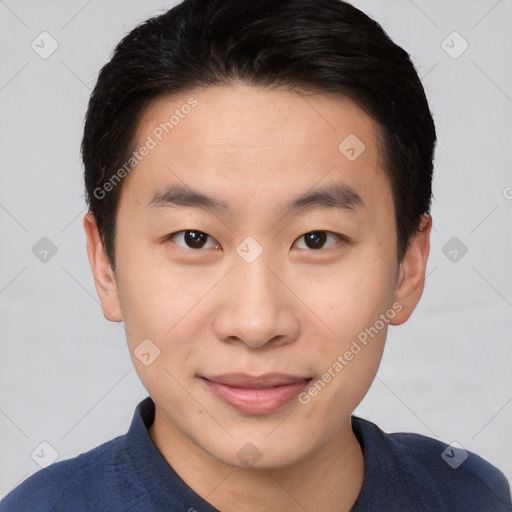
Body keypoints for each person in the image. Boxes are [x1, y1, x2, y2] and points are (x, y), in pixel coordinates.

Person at [1, 0, 510, 510]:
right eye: (194, 238)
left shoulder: (473, 497)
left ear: (408, 266)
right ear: (105, 265)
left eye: (316, 239)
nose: (256, 322)